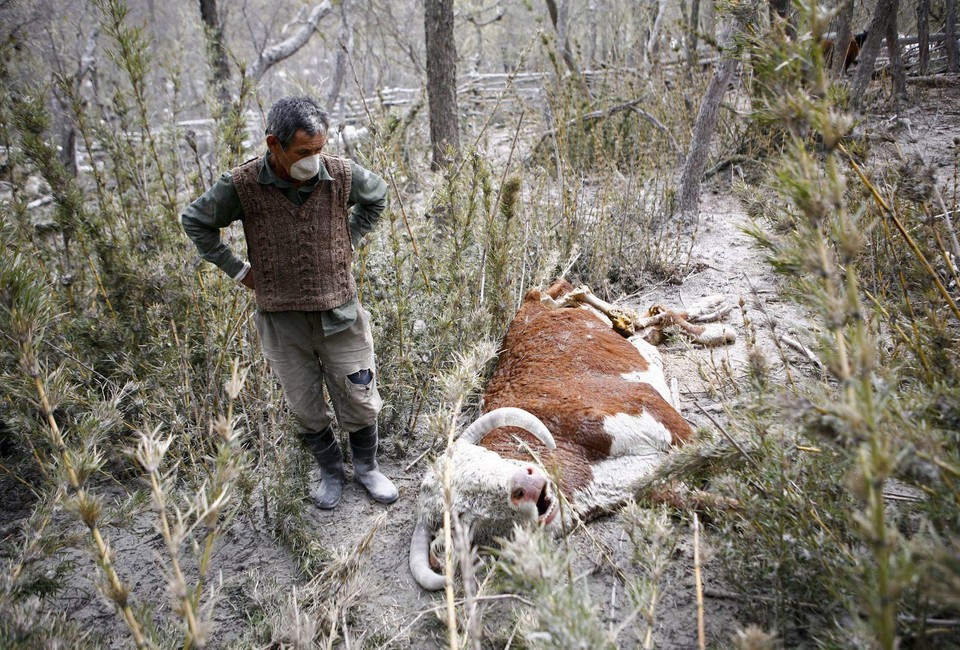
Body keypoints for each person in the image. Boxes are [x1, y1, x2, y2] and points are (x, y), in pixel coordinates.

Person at [181, 96, 397, 510]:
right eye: (303, 152)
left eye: (319, 149)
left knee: (360, 394)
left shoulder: (340, 175)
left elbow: (378, 196)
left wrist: (348, 238)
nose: (314, 160)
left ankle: (367, 468)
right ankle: (331, 471)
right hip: (282, 321)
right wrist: (239, 270)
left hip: (340, 314)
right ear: (273, 144)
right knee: (305, 404)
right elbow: (196, 220)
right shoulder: (242, 185)